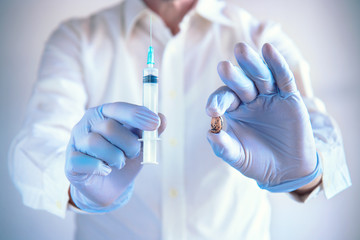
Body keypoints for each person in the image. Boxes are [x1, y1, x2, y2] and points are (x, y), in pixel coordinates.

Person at [9, 0, 351, 239]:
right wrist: (76, 186)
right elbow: (32, 150)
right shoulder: (78, 38)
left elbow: (325, 142)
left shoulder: (260, 36)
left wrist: (308, 169)